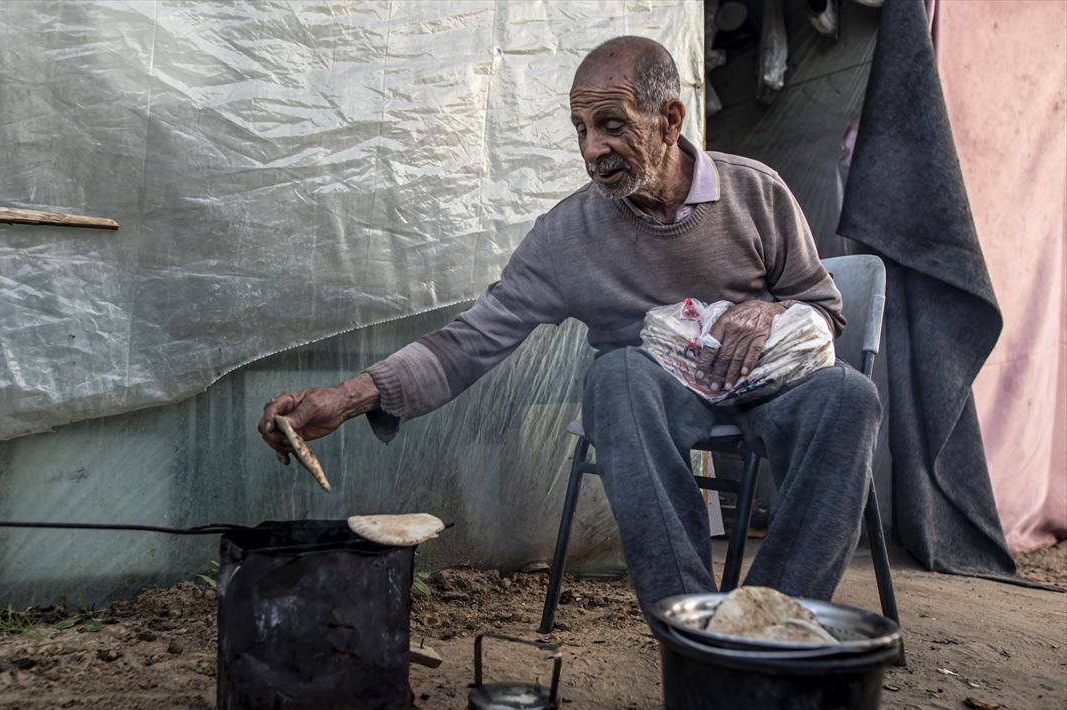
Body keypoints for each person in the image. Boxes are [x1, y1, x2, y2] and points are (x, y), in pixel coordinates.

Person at [259, 36, 881, 617]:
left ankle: (772, 623)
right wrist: (347, 397)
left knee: (848, 394)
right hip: (656, 400)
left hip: (764, 386)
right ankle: (690, 625)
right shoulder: (567, 237)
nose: (590, 150)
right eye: (580, 129)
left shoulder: (755, 192)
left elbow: (821, 308)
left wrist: (772, 311)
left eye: (611, 125)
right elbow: (470, 340)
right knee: (617, 376)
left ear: (669, 120)